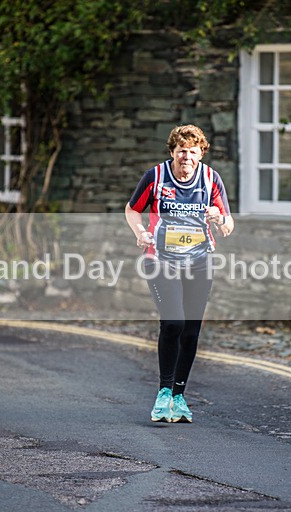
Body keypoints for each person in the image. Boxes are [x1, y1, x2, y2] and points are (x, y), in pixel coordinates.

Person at [125, 124, 234, 423]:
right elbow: (132, 209)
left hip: (199, 262)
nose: (187, 156)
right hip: (161, 260)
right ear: (173, 151)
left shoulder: (211, 179)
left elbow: (228, 222)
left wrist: (220, 218)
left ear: (201, 153)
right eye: (181, 150)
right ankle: (163, 394)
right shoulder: (156, 177)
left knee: (191, 330)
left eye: (193, 151)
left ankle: (179, 396)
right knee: (173, 322)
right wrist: (139, 232)